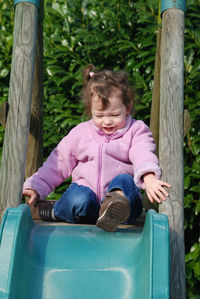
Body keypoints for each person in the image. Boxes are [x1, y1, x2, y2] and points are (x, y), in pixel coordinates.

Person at [23, 64, 171, 232]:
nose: (107, 121)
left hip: (127, 209)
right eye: (99, 115)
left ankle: (114, 207)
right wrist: (35, 186)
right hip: (87, 206)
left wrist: (149, 177)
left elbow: (142, 152)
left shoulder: (136, 130)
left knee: (124, 181)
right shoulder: (80, 133)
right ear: (90, 110)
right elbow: (58, 163)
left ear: (127, 108)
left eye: (115, 115)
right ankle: (55, 211)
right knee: (79, 197)